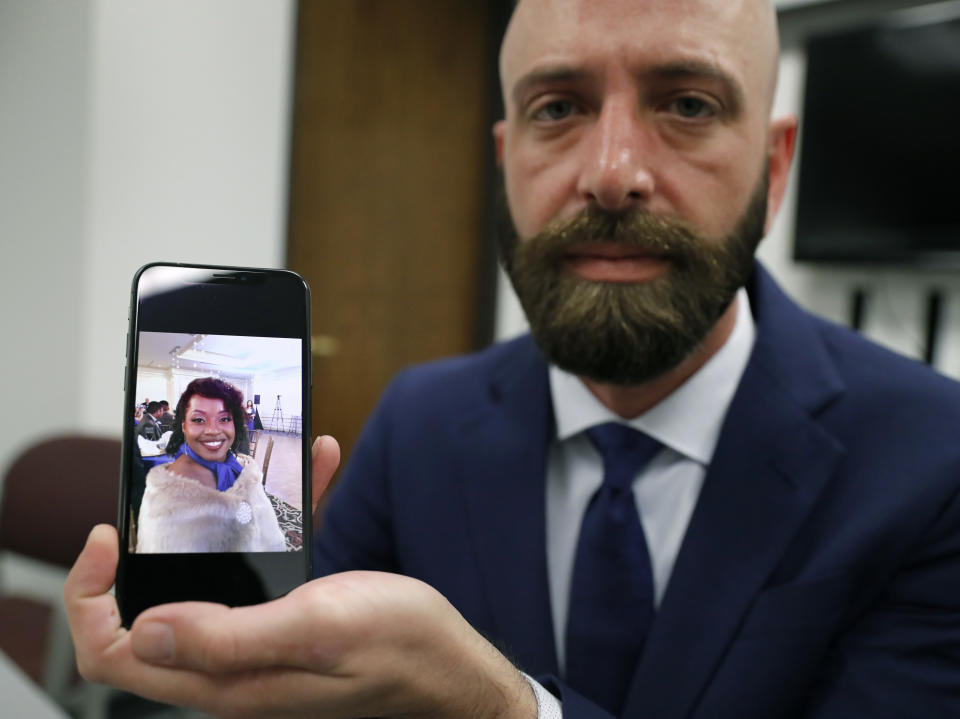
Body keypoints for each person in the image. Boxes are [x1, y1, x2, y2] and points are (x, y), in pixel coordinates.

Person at [65, 1, 960, 717]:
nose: (611, 173)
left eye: (688, 104)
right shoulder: (417, 420)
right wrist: (237, 677)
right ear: (507, 157)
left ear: (776, 162)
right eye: (558, 108)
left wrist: (504, 711)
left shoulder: (932, 457)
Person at [135, 377, 285, 553]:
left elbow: (268, 538)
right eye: (199, 420)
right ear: (184, 426)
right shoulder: (163, 495)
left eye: (224, 419)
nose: (213, 430)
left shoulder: (244, 472)